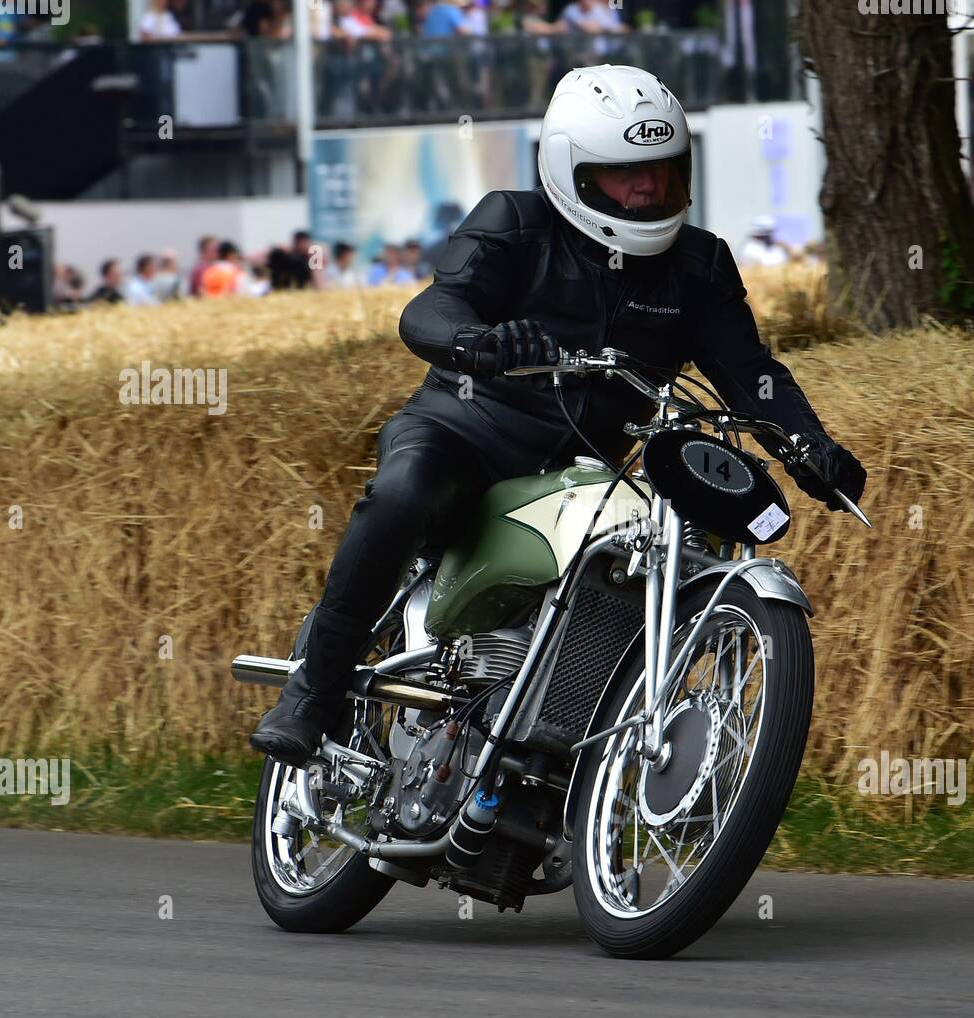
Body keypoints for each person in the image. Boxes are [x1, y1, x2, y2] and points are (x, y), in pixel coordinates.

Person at [250, 65, 866, 767]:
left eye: (663, 172)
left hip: (592, 468)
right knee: (401, 494)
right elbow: (430, 309)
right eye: (621, 174)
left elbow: (750, 373)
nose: (646, 189)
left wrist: (808, 444)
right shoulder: (514, 223)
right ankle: (315, 690)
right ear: (571, 172)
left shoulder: (700, 266)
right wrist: (477, 343)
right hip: (466, 432)